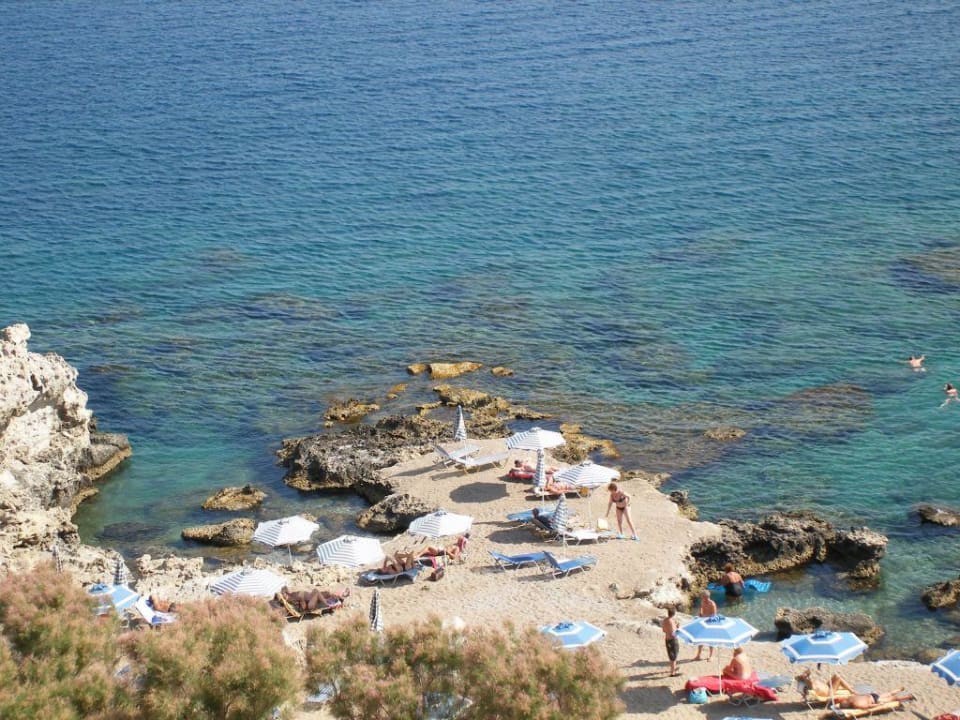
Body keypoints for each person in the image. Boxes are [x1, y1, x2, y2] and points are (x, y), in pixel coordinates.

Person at [833, 687, 914, 710]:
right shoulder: (850, 698)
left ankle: (909, 697)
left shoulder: (856, 705)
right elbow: (868, 705)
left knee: (894, 698)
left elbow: (868, 706)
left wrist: (878, 705)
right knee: (890, 694)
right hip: (873, 696)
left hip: (875, 700)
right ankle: (900, 689)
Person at [693, 590, 718, 661]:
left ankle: (711, 656)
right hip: (703, 622)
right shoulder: (703, 602)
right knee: (700, 639)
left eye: (703, 597)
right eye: (702, 597)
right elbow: (701, 608)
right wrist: (700, 612)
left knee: (710, 640)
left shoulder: (712, 604)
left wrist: (705, 616)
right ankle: (698, 655)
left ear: (706, 597)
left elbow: (714, 616)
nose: (702, 598)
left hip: (710, 623)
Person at [661, 605, 680, 677]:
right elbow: (673, 634)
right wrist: (678, 629)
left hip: (667, 640)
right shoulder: (671, 621)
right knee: (674, 657)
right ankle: (673, 672)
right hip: (672, 641)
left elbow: (663, 630)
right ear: (674, 613)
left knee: (671, 655)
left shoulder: (665, 620)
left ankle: (673, 668)